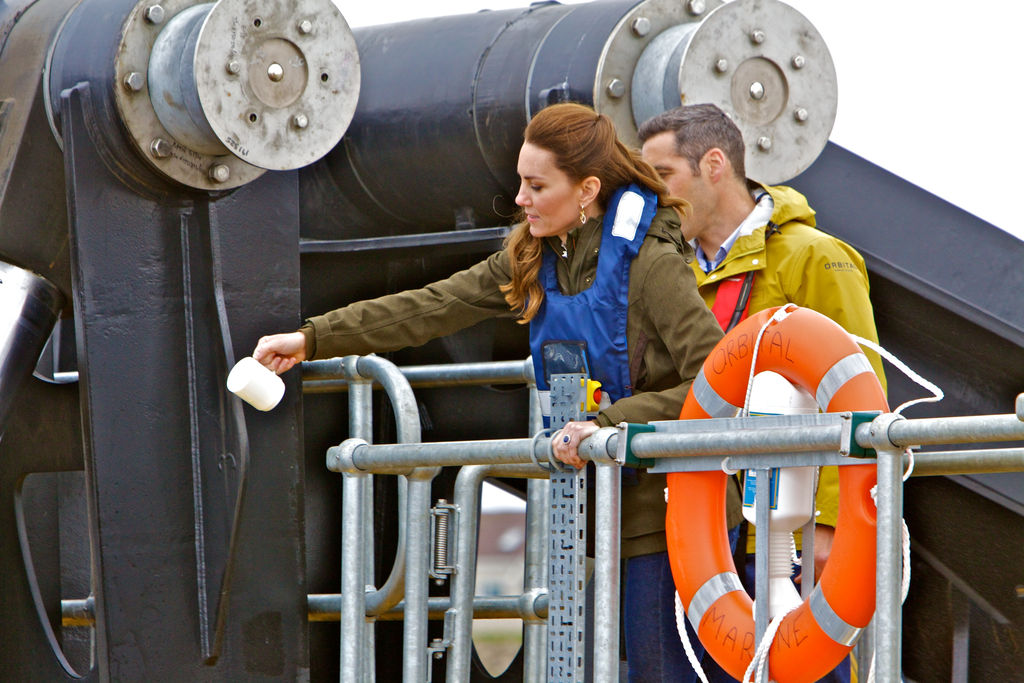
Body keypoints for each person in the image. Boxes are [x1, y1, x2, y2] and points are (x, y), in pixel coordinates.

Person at [253, 102, 741, 681]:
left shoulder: (653, 264)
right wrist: (313, 338)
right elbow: (429, 306)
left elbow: (715, 380)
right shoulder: (532, 257)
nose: (520, 199)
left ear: (586, 189)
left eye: (536, 185)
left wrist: (608, 425)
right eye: (520, 182)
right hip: (591, 511)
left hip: (672, 514)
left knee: (663, 672)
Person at [639, 103, 888, 683]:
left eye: (663, 178)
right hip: (707, 531)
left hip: (788, 534)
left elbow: (861, 397)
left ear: (715, 164)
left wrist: (831, 524)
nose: (652, 198)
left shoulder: (813, 256)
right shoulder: (672, 272)